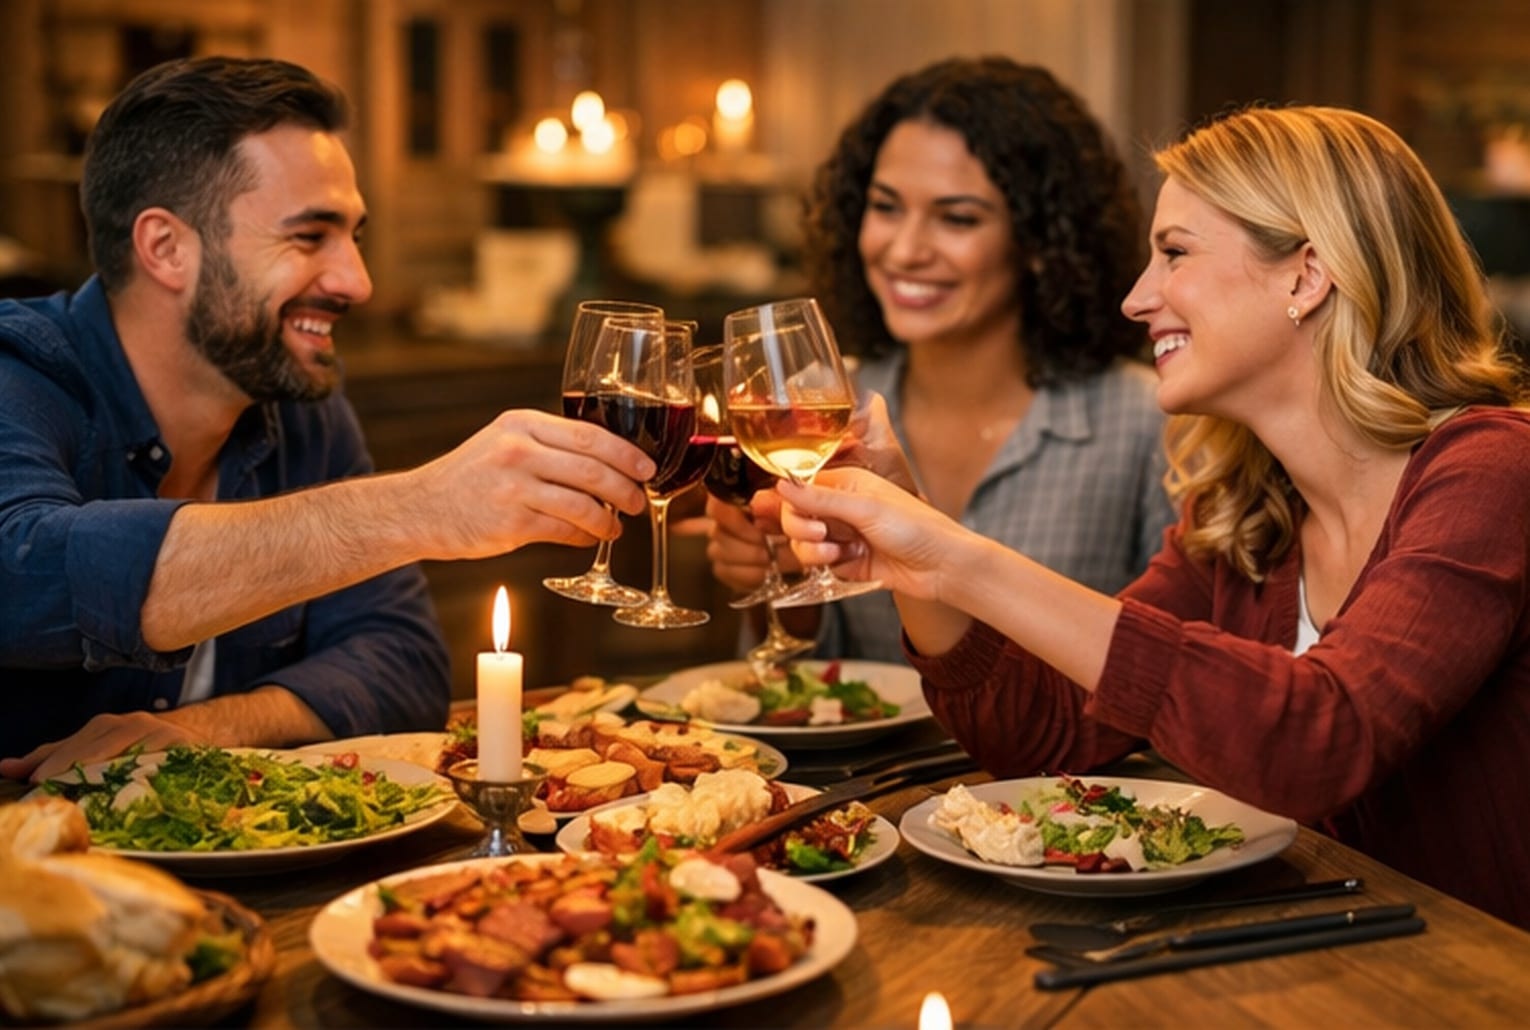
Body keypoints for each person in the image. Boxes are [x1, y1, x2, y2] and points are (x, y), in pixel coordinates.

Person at [772, 103, 1530, 928]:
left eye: (1174, 254)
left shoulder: (1494, 469)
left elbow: (1322, 735)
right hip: (1322, 969)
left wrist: (962, 557)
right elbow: (1046, 734)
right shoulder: (1247, 509)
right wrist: (918, 557)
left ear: (1307, 277)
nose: (1137, 300)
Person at [0, 57, 655, 783]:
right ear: (166, 248)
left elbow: (402, 663)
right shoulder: (21, 373)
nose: (358, 282)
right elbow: (23, 575)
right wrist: (422, 507)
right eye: (310, 237)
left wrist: (196, 731)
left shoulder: (299, 404)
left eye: (354, 237)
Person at [703, 57, 1174, 663]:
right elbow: (808, 682)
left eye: (956, 218)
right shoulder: (817, 412)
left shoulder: (1147, 423)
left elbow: (1170, 677)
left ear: (1040, 240)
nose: (904, 249)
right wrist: (778, 580)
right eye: (886, 207)